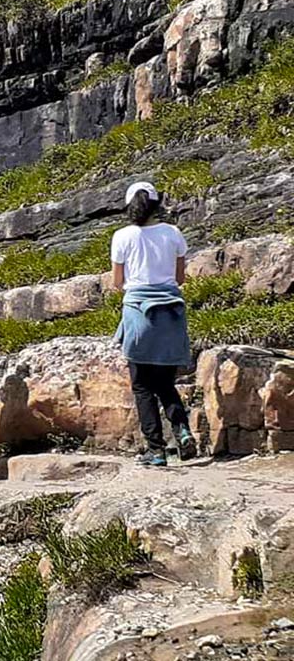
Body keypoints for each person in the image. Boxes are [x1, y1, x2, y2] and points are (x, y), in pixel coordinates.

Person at [111, 181, 196, 466]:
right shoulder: (173, 233)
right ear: (157, 204)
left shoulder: (122, 236)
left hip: (138, 313)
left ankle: (156, 450)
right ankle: (183, 431)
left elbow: (117, 282)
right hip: (171, 313)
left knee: (142, 386)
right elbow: (180, 278)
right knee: (165, 383)